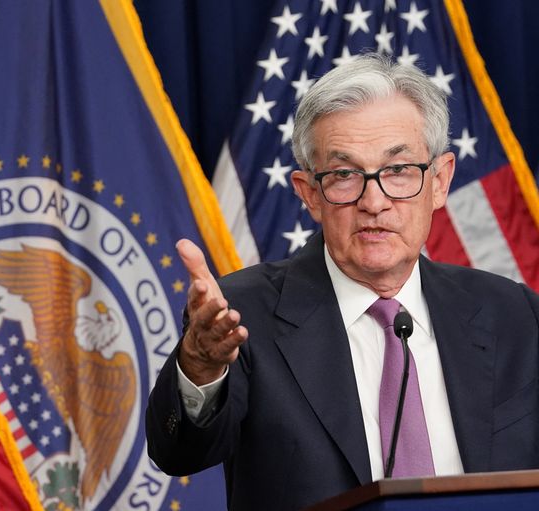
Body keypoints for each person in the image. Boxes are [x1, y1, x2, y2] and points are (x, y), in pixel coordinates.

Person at [145, 53, 539, 510]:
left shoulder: (514, 314)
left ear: (440, 181)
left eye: (398, 170)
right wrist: (199, 368)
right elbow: (178, 453)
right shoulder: (243, 315)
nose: (374, 201)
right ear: (310, 194)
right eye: (345, 175)